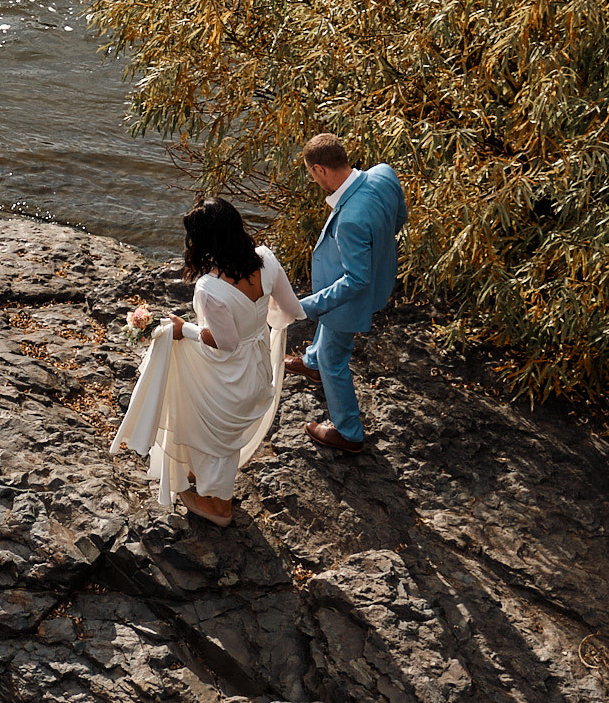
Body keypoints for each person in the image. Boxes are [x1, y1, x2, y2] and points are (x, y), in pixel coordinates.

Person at [111, 199, 305, 525]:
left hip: (230, 375)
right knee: (209, 419)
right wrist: (256, 326)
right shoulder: (267, 260)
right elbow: (288, 310)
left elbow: (225, 344)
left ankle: (220, 508)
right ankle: (199, 475)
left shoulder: (209, 287)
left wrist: (182, 328)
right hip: (257, 366)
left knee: (211, 428)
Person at [290, 133, 406, 453]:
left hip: (351, 296)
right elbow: (400, 217)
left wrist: (307, 306)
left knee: (334, 356)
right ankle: (311, 362)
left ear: (320, 170)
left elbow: (355, 280)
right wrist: (378, 246)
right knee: (324, 348)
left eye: (312, 175)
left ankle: (349, 431)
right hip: (381, 273)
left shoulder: (351, 219)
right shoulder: (383, 173)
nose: (314, 181)